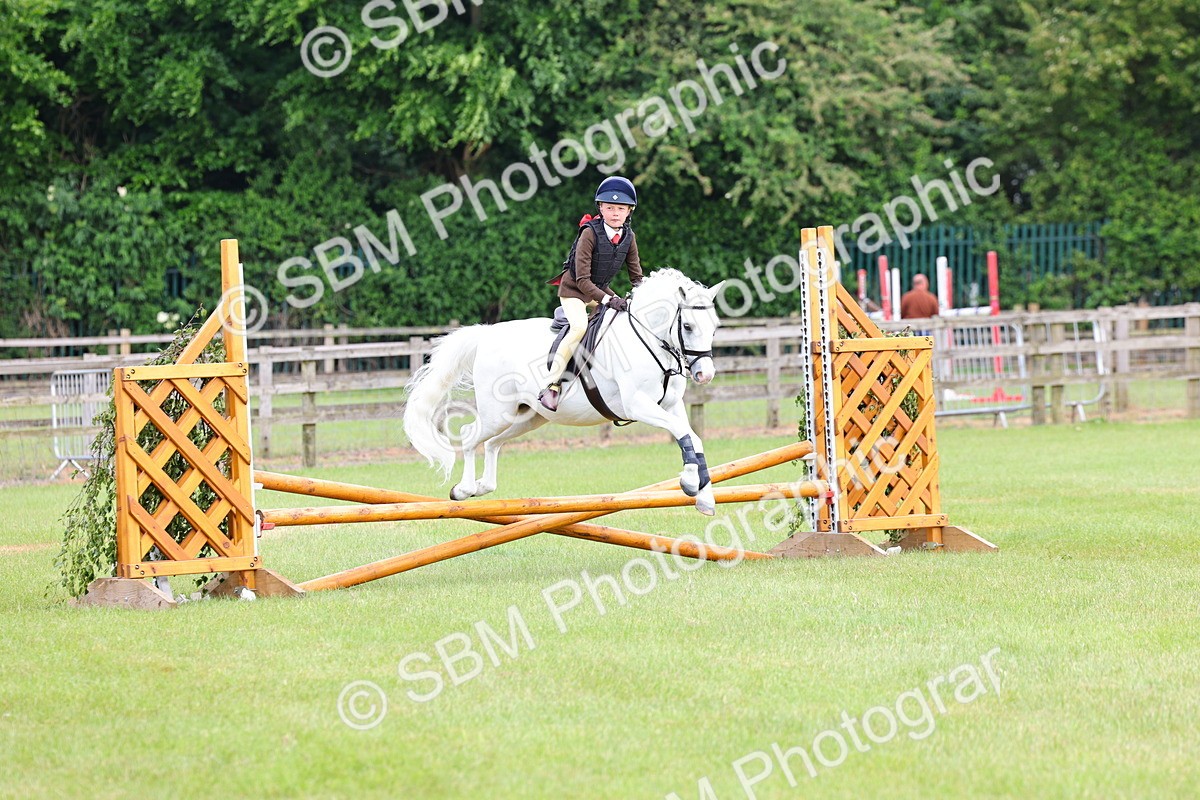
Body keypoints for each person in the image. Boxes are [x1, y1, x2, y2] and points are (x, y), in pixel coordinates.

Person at [538, 176, 643, 411]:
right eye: (609, 207)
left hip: (599, 288)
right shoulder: (590, 233)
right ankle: (552, 385)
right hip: (575, 289)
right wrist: (609, 299)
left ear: (629, 211)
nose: (615, 213)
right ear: (601, 209)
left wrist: (643, 296)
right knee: (579, 328)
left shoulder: (629, 237)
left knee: (621, 321)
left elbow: (636, 276)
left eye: (620, 208)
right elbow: (583, 279)